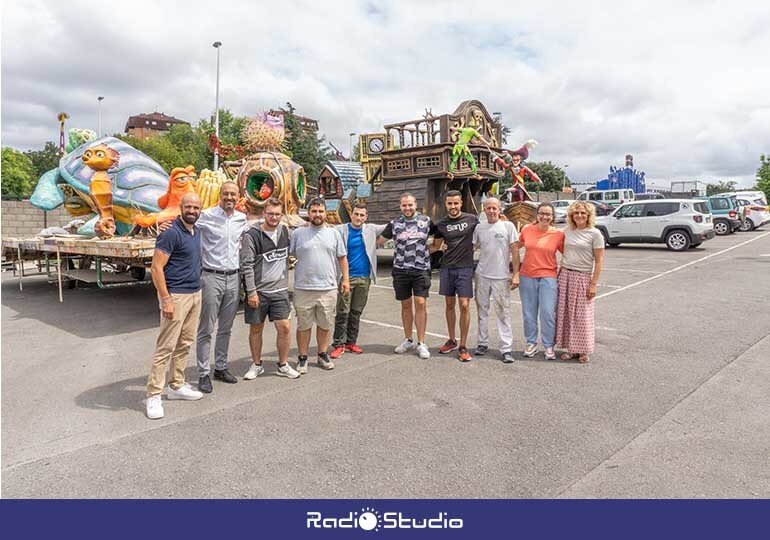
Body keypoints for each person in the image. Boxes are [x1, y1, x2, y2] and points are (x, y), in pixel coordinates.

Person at [145, 192, 204, 420]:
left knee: (185, 342)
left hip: (194, 293)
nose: (192, 211)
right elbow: (156, 268)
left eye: (196, 208)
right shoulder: (170, 233)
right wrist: (165, 298)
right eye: (188, 207)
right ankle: (153, 394)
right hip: (176, 296)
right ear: (181, 208)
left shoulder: (195, 231)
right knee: (165, 347)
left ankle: (176, 385)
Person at [194, 181, 249, 393]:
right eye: (226, 194)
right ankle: (202, 373)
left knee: (226, 327)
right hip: (211, 277)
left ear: (238, 197)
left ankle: (221, 366)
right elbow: (185, 225)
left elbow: (260, 223)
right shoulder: (206, 216)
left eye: (233, 195)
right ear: (220, 195)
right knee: (206, 328)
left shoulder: (241, 219)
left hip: (233, 278)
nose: (229, 198)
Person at [240, 197, 300, 380]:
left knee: (284, 328)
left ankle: (283, 364)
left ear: (281, 215)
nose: (274, 217)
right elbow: (247, 265)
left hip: (280, 291)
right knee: (256, 329)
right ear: (264, 214)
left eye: (277, 214)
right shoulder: (252, 235)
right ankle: (257, 365)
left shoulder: (285, 232)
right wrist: (251, 291)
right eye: (270, 214)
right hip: (258, 292)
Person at [290, 198, 350, 374]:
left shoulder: (334, 234)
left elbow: (342, 258)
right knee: (303, 326)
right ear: (308, 213)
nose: (317, 214)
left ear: (325, 213)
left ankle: (322, 354)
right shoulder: (298, 234)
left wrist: (345, 280)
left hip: (328, 288)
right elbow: (287, 254)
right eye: (314, 211)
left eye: (320, 211)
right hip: (303, 287)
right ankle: (302, 357)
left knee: (325, 324)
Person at [379, 193, 434, 360]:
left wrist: (429, 251)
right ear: (400, 206)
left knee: (420, 303)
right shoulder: (394, 224)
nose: (407, 208)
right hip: (401, 269)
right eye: (404, 205)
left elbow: (439, 238)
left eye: (410, 205)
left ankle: (421, 342)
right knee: (405, 305)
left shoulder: (426, 221)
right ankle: (409, 339)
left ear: (416, 204)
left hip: (421, 269)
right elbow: (379, 241)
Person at [329, 203, 387, 359]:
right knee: (343, 312)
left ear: (366, 217)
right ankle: (338, 344)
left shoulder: (370, 229)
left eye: (362, 215)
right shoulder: (341, 230)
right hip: (346, 278)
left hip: (364, 277)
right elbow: (325, 229)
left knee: (356, 312)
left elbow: (391, 226)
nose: (359, 218)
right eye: (356, 214)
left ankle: (351, 342)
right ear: (351, 214)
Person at [431, 190, 479, 362]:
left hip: (465, 268)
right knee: (449, 304)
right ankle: (451, 340)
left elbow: (486, 231)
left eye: (456, 203)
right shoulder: (440, 224)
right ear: (446, 204)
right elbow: (434, 246)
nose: (453, 206)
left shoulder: (472, 219)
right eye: (450, 203)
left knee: (464, 305)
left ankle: (463, 346)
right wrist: (418, 247)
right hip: (447, 268)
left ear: (461, 203)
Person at [513, 202, 564, 360]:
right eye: (542, 213)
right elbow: (516, 246)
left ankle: (549, 346)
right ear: (537, 215)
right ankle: (531, 343)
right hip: (527, 275)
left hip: (548, 277)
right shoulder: (527, 229)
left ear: (552, 217)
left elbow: (568, 254)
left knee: (548, 313)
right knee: (529, 313)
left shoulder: (558, 234)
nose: (545, 217)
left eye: (548, 214)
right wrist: (515, 272)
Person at [556, 201, 605, 364]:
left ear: (589, 215)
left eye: (583, 213)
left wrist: (593, 284)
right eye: (576, 213)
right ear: (571, 215)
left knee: (582, 315)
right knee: (567, 314)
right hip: (565, 275)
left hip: (583, 276)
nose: (579, 216)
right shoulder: (567, 231)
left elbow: (599, 261)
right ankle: (571, 349)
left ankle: (584, 350)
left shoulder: (595, 234)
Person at [472, 197, 519, 363]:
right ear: (484, 209)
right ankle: (482, 343)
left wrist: (516, 274)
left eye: (494, 208)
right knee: (481, 311)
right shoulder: (479, 227)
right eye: (488, 208)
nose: (491, 211)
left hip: (501, 277)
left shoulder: (508, 226)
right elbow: (472, 247)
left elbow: (515, 251)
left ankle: (506, 349)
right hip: (482, 275)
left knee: (503, 312)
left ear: (500, 210)